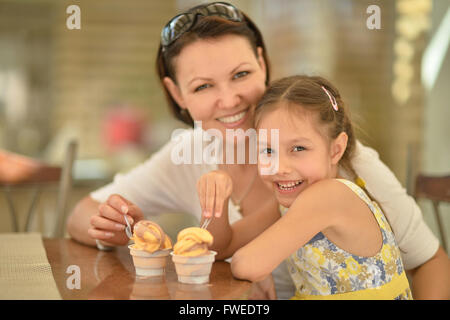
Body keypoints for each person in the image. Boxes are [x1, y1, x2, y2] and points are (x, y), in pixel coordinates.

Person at [66, 2, 449, 299]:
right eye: (203, 87)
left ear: (263, 64)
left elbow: (432, 262)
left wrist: (254, 261)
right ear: (175, 93)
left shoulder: (342, 163)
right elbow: (81, 216)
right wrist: (114, 228)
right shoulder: (188, 154)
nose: (229, 99)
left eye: (241, 74)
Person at [217, 75, 411, 299]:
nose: (280, 167)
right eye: (267, 151)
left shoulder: (329, 196)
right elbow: (224, 247)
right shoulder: (296, 201)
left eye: (298, 148)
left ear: (335, 150)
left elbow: (246, 265)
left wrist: (261, 268)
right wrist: (217, 199)